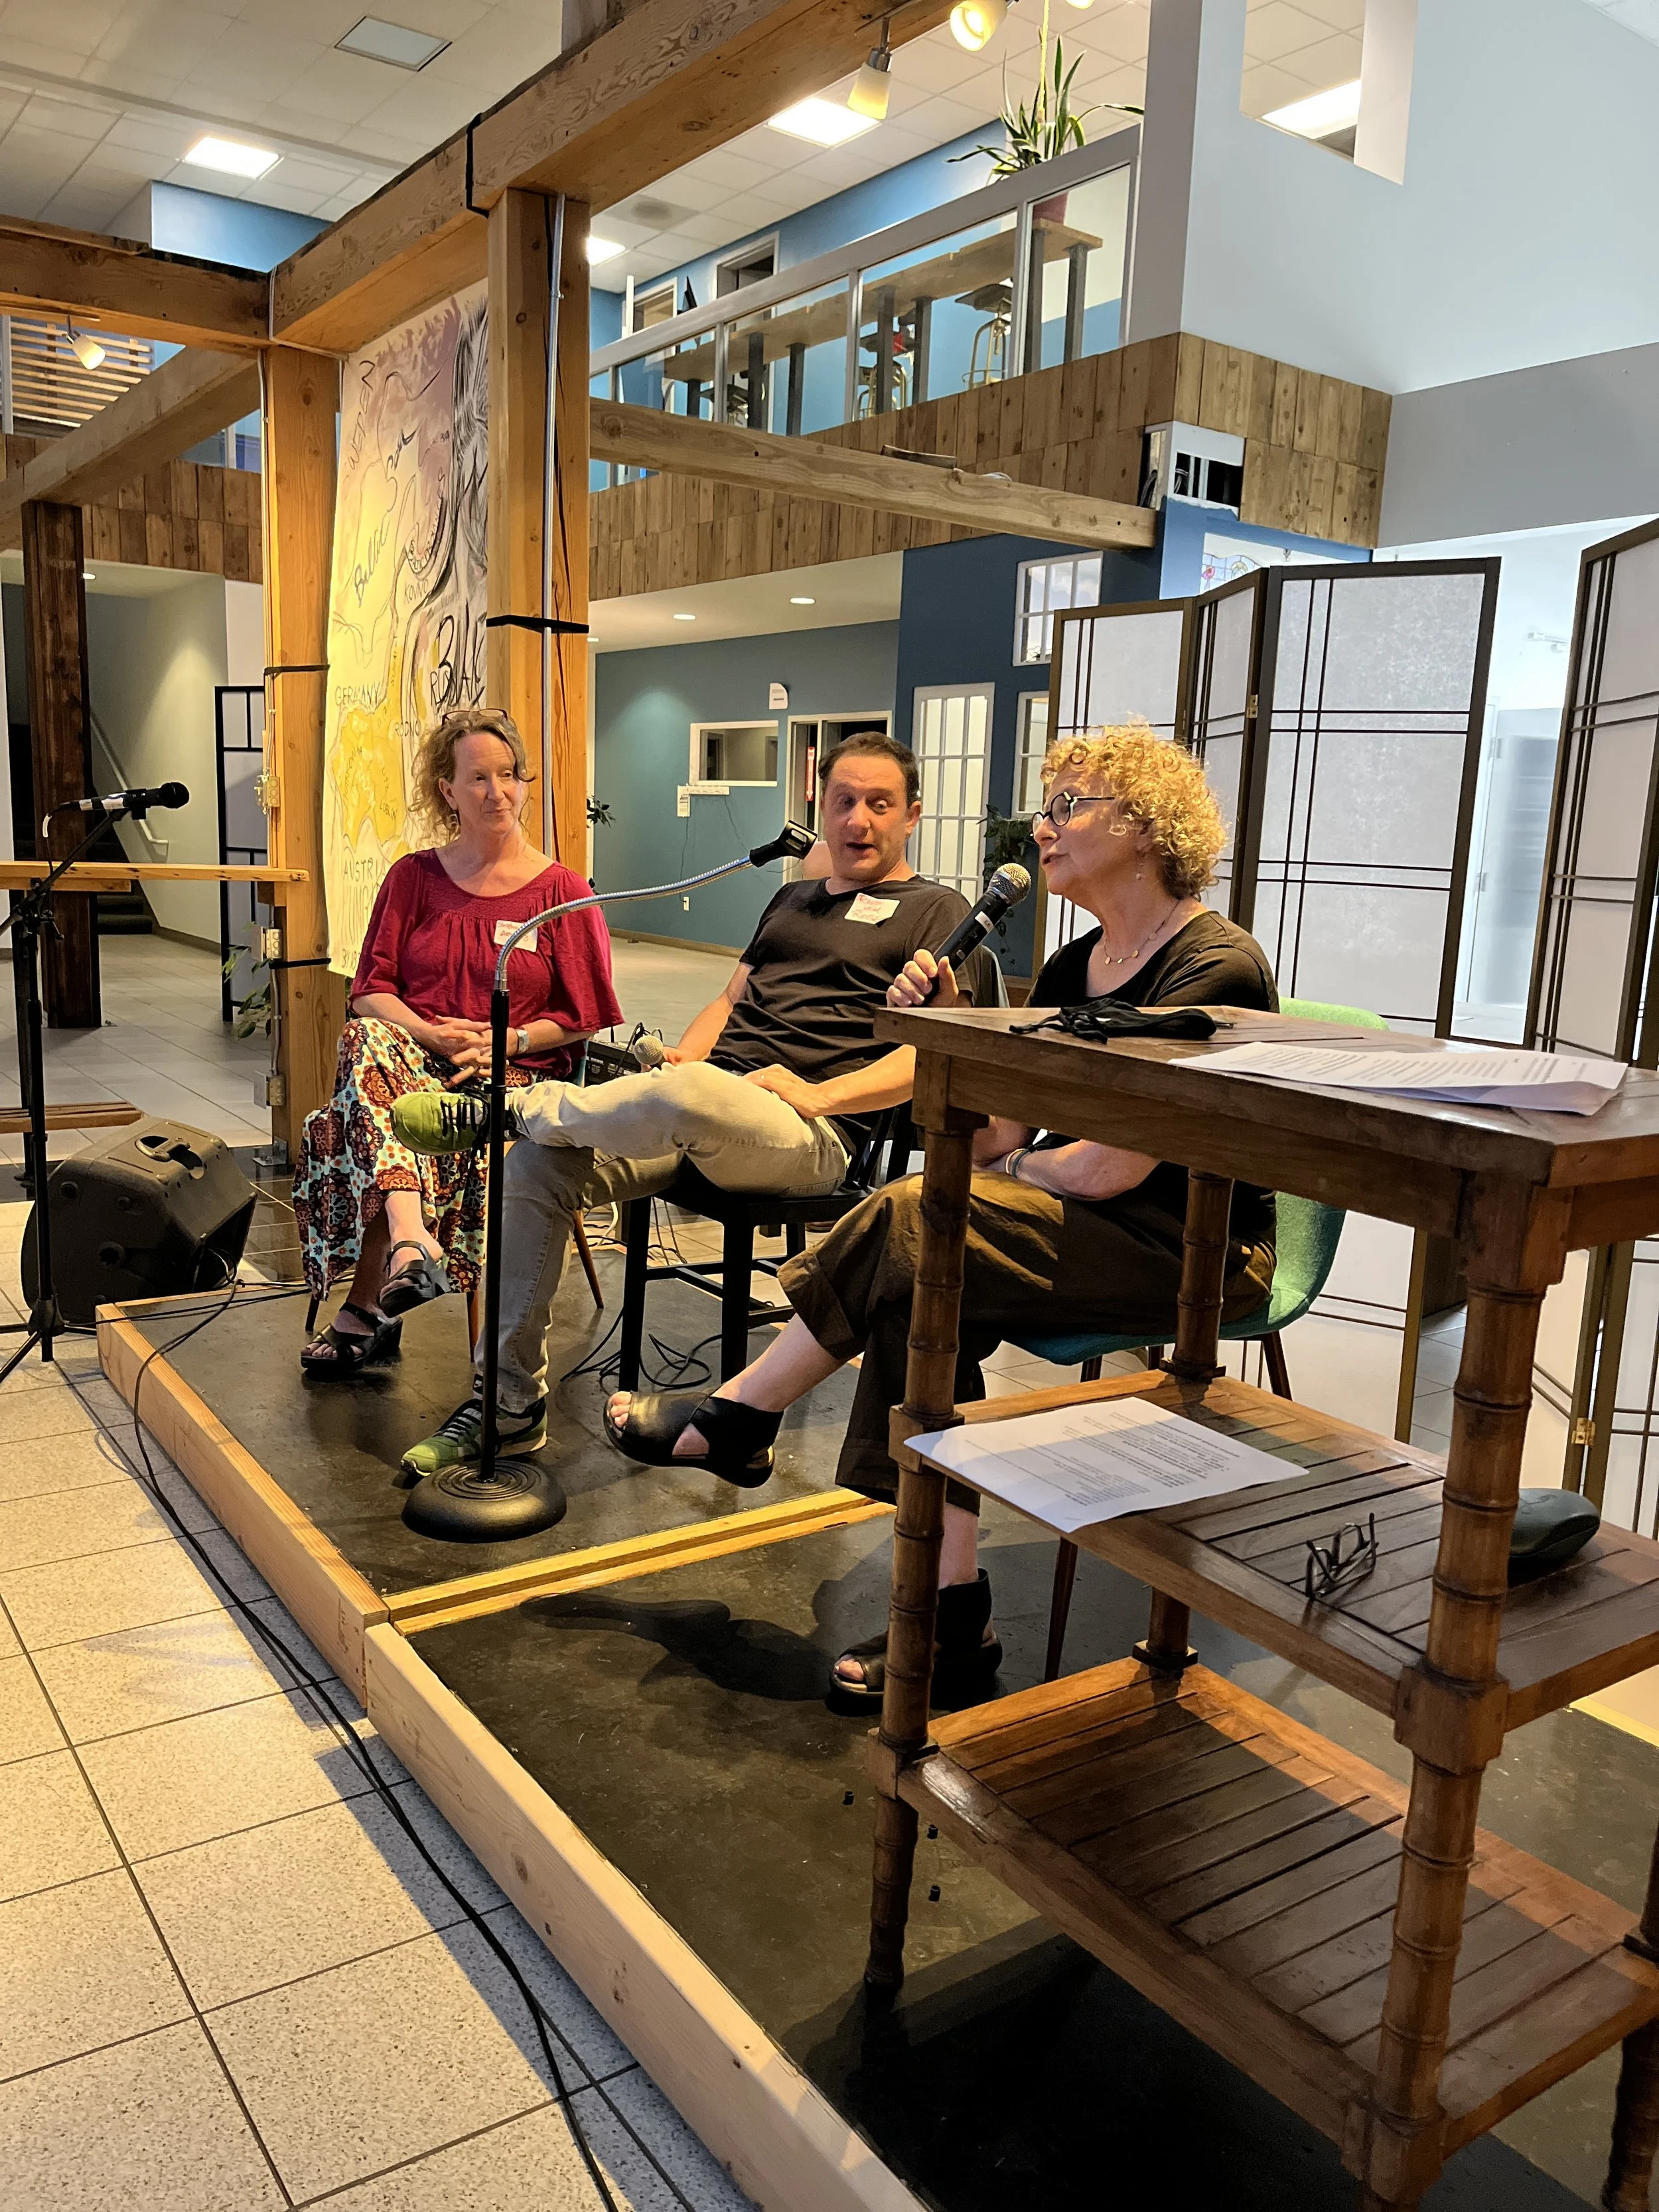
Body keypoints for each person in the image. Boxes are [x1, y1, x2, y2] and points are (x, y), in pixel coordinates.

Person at [602, 724, 1277, 1706]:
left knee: (920, 1222)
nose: (1040, 829)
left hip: (1195, 1249)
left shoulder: (1213, 965)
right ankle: (952, 1617)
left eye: (1067, 807)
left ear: (1142, 825)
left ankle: (741, 1413)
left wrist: (1027, 1169)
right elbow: (999, 1140)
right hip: (1081, 1226)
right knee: (924, 1267)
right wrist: (954, 1026)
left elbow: (1109, 1169)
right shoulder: (1071, 969)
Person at [390, 731, 973, 1475]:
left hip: (810, 1132)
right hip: (706, 1109)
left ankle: (511, 1106)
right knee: (535, 1166)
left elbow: (935, 1058)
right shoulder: (791, 899)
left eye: (879, 804)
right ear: (821, 807)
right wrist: (685, 1061)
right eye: (844, 801)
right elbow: (729, 1001)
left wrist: (816, 1093)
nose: (858, 819)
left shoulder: (938, 912)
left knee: (675, 1095)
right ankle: (507, 1406)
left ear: (912, 814)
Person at [292, 707, 621, 1376]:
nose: (497, 792)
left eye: (509, 775)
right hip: (417, 1057)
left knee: (367, 1110)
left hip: (516, 1074)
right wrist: (431, 1033)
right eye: (478, 778)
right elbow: (371, 991)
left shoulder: (562, 891)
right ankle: (410, 1238)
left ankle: (373, 1300)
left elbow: (585, 1015)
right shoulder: (413, 878)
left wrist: (508, 1042)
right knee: (366, 1040)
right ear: (448, 790)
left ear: (524, 783)